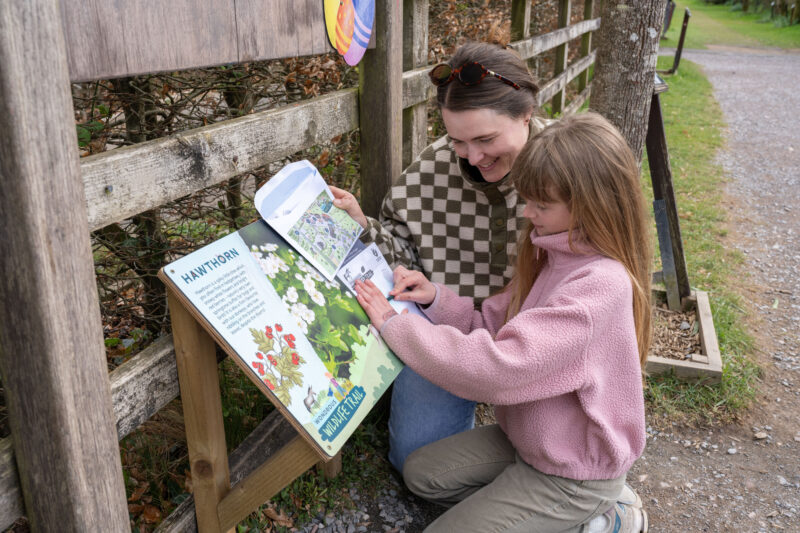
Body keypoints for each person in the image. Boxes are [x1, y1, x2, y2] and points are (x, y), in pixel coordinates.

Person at [354, 112, 651, 532]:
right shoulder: (553, 254)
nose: (527, 213)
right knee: (421, 473)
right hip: (527, 445)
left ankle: (603, 514)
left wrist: (396, 326)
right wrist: (436, 298)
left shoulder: (597, 287)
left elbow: (499, 369)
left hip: (569, 476)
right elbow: (492, 322)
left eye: (541, 205)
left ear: (590, 205)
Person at [330, 40, 546, 473]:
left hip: (541, 339)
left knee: (552, 457)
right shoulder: (436, 166)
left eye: (485, 139)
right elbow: (401, 247)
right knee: (415, 461)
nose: (473, 157)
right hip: (451, 330)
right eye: (458, 140)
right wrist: (361, 225)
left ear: (527, 114)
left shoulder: (568, 164)